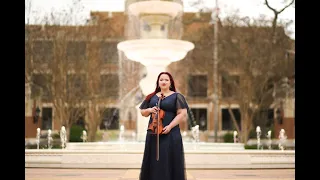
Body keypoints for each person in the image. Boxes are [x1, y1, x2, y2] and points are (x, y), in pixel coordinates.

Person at [139, 72, 189, 180]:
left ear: (170, 82)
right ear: (158, 82)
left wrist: (170, 126)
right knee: (154, 161)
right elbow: (143, 112)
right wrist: (149, 110)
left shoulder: (177, 96)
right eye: (161, 80)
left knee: (168, 159)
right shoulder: (151, 97)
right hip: (153, 133)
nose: (164, 82)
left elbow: (182, 114)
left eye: (166, 80)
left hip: (171, 133)